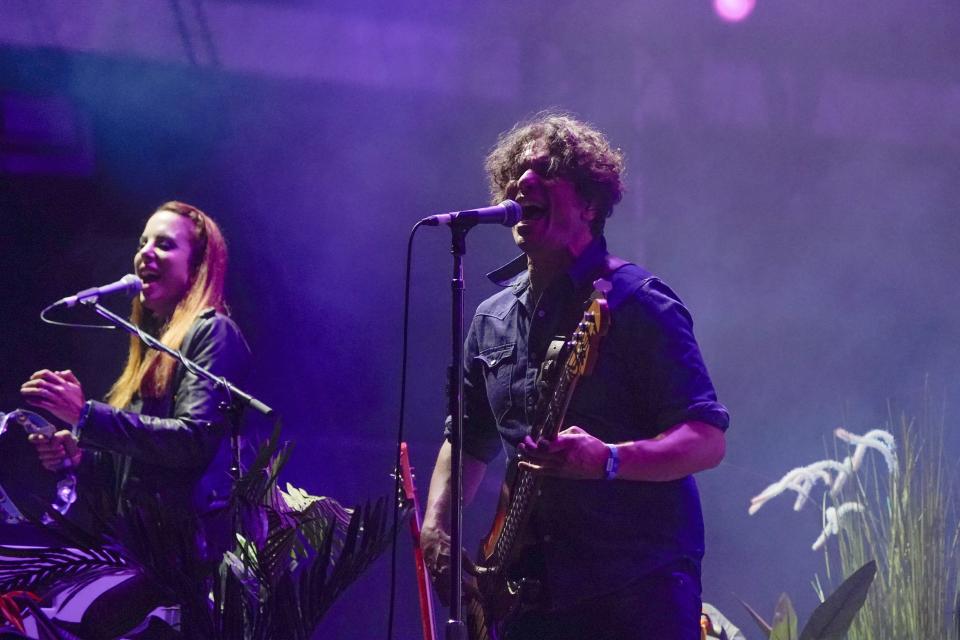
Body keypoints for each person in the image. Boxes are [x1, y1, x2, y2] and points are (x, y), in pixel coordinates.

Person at [420, 114, 729, 639]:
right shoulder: (493, 319)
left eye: (545, 170)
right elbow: (467, 440)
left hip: (633, 589)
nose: (523, 181)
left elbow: (705, 440)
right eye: (517, 171)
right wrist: (437, 525)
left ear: (589, 202)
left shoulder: (637, 302)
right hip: (529, 597)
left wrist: (608, 461)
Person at [19, 201, 250, 635]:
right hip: (139, 553)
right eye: (143, 242)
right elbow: (132, 472)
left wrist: (86, 415)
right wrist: (76, 456)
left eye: (164, 245)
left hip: (184, 564)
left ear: (197, 265)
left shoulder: (211, 332)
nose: (145, 253)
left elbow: (192, 441)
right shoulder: (153, 350)